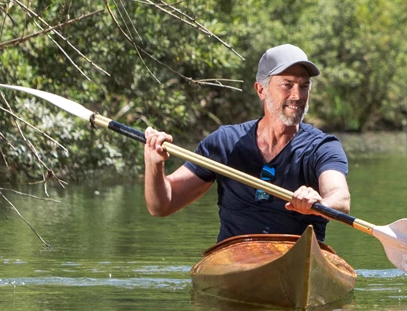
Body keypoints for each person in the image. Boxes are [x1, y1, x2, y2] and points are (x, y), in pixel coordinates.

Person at [142, 43, 351, 242]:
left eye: (304, 86)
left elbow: (340, 198)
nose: (297, 95)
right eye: (287, 85)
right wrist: (154, 164)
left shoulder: (322, 147)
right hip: (234, 256)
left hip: (297, 254)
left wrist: (319, 203)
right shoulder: (225, 142)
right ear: (261, 90)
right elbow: (161, 206)